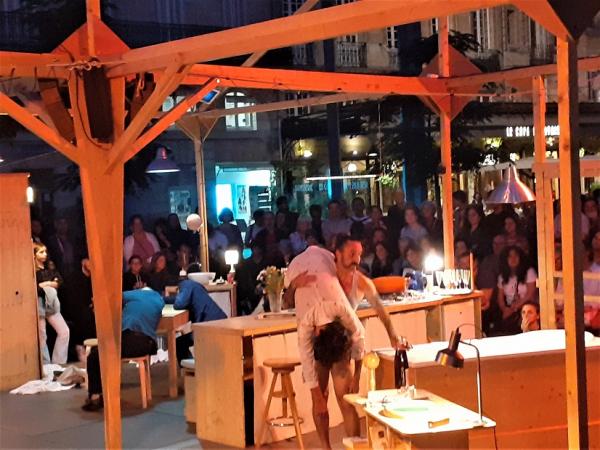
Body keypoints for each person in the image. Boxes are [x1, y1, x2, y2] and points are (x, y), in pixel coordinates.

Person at [82, 288, 164, 411]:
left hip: (130, 338)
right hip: (148, 344)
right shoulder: (159, 301)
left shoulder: (135, 295)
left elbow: (113, 296)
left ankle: (96, 395)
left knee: (95, 356)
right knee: (107, 352)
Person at [168, 263, 227, 362]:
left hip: (209, 326)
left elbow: (179, 304)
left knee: (179, 342)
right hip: (218, 322)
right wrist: (163, 299)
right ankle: (192, 365)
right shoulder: (195, 286)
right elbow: (176, 299)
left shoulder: (186, 285)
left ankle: (191, 367)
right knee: (183, 341)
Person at [34, 243, 70, 364]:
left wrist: (46, 284)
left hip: (51, 302)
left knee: (64, 331)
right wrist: (49, 283)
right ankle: (45, 364)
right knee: (42, 335)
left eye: (45, 251)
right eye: (41, 252)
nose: (44, 254)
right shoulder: (32, 270)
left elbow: (59, 281)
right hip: (39, 302)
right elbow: (35, 287)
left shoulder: (49, 266)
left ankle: (58, 362)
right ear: (34, 255)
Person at [497, 246, 538, 335]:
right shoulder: (502, 276)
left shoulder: (529, 272)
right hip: (510, 308)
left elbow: (530, 294)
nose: (513, 259)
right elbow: (500, 298)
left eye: (516, 256)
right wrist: (504, 309)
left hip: (526, 306)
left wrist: (514, 308)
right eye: (510, 256)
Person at [476, 234, 507, 335]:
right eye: (495, 243)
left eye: (500, 243)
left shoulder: (511, 259)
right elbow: (485, 297)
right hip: (492, 304)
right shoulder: (488, 261)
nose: (497, 246)